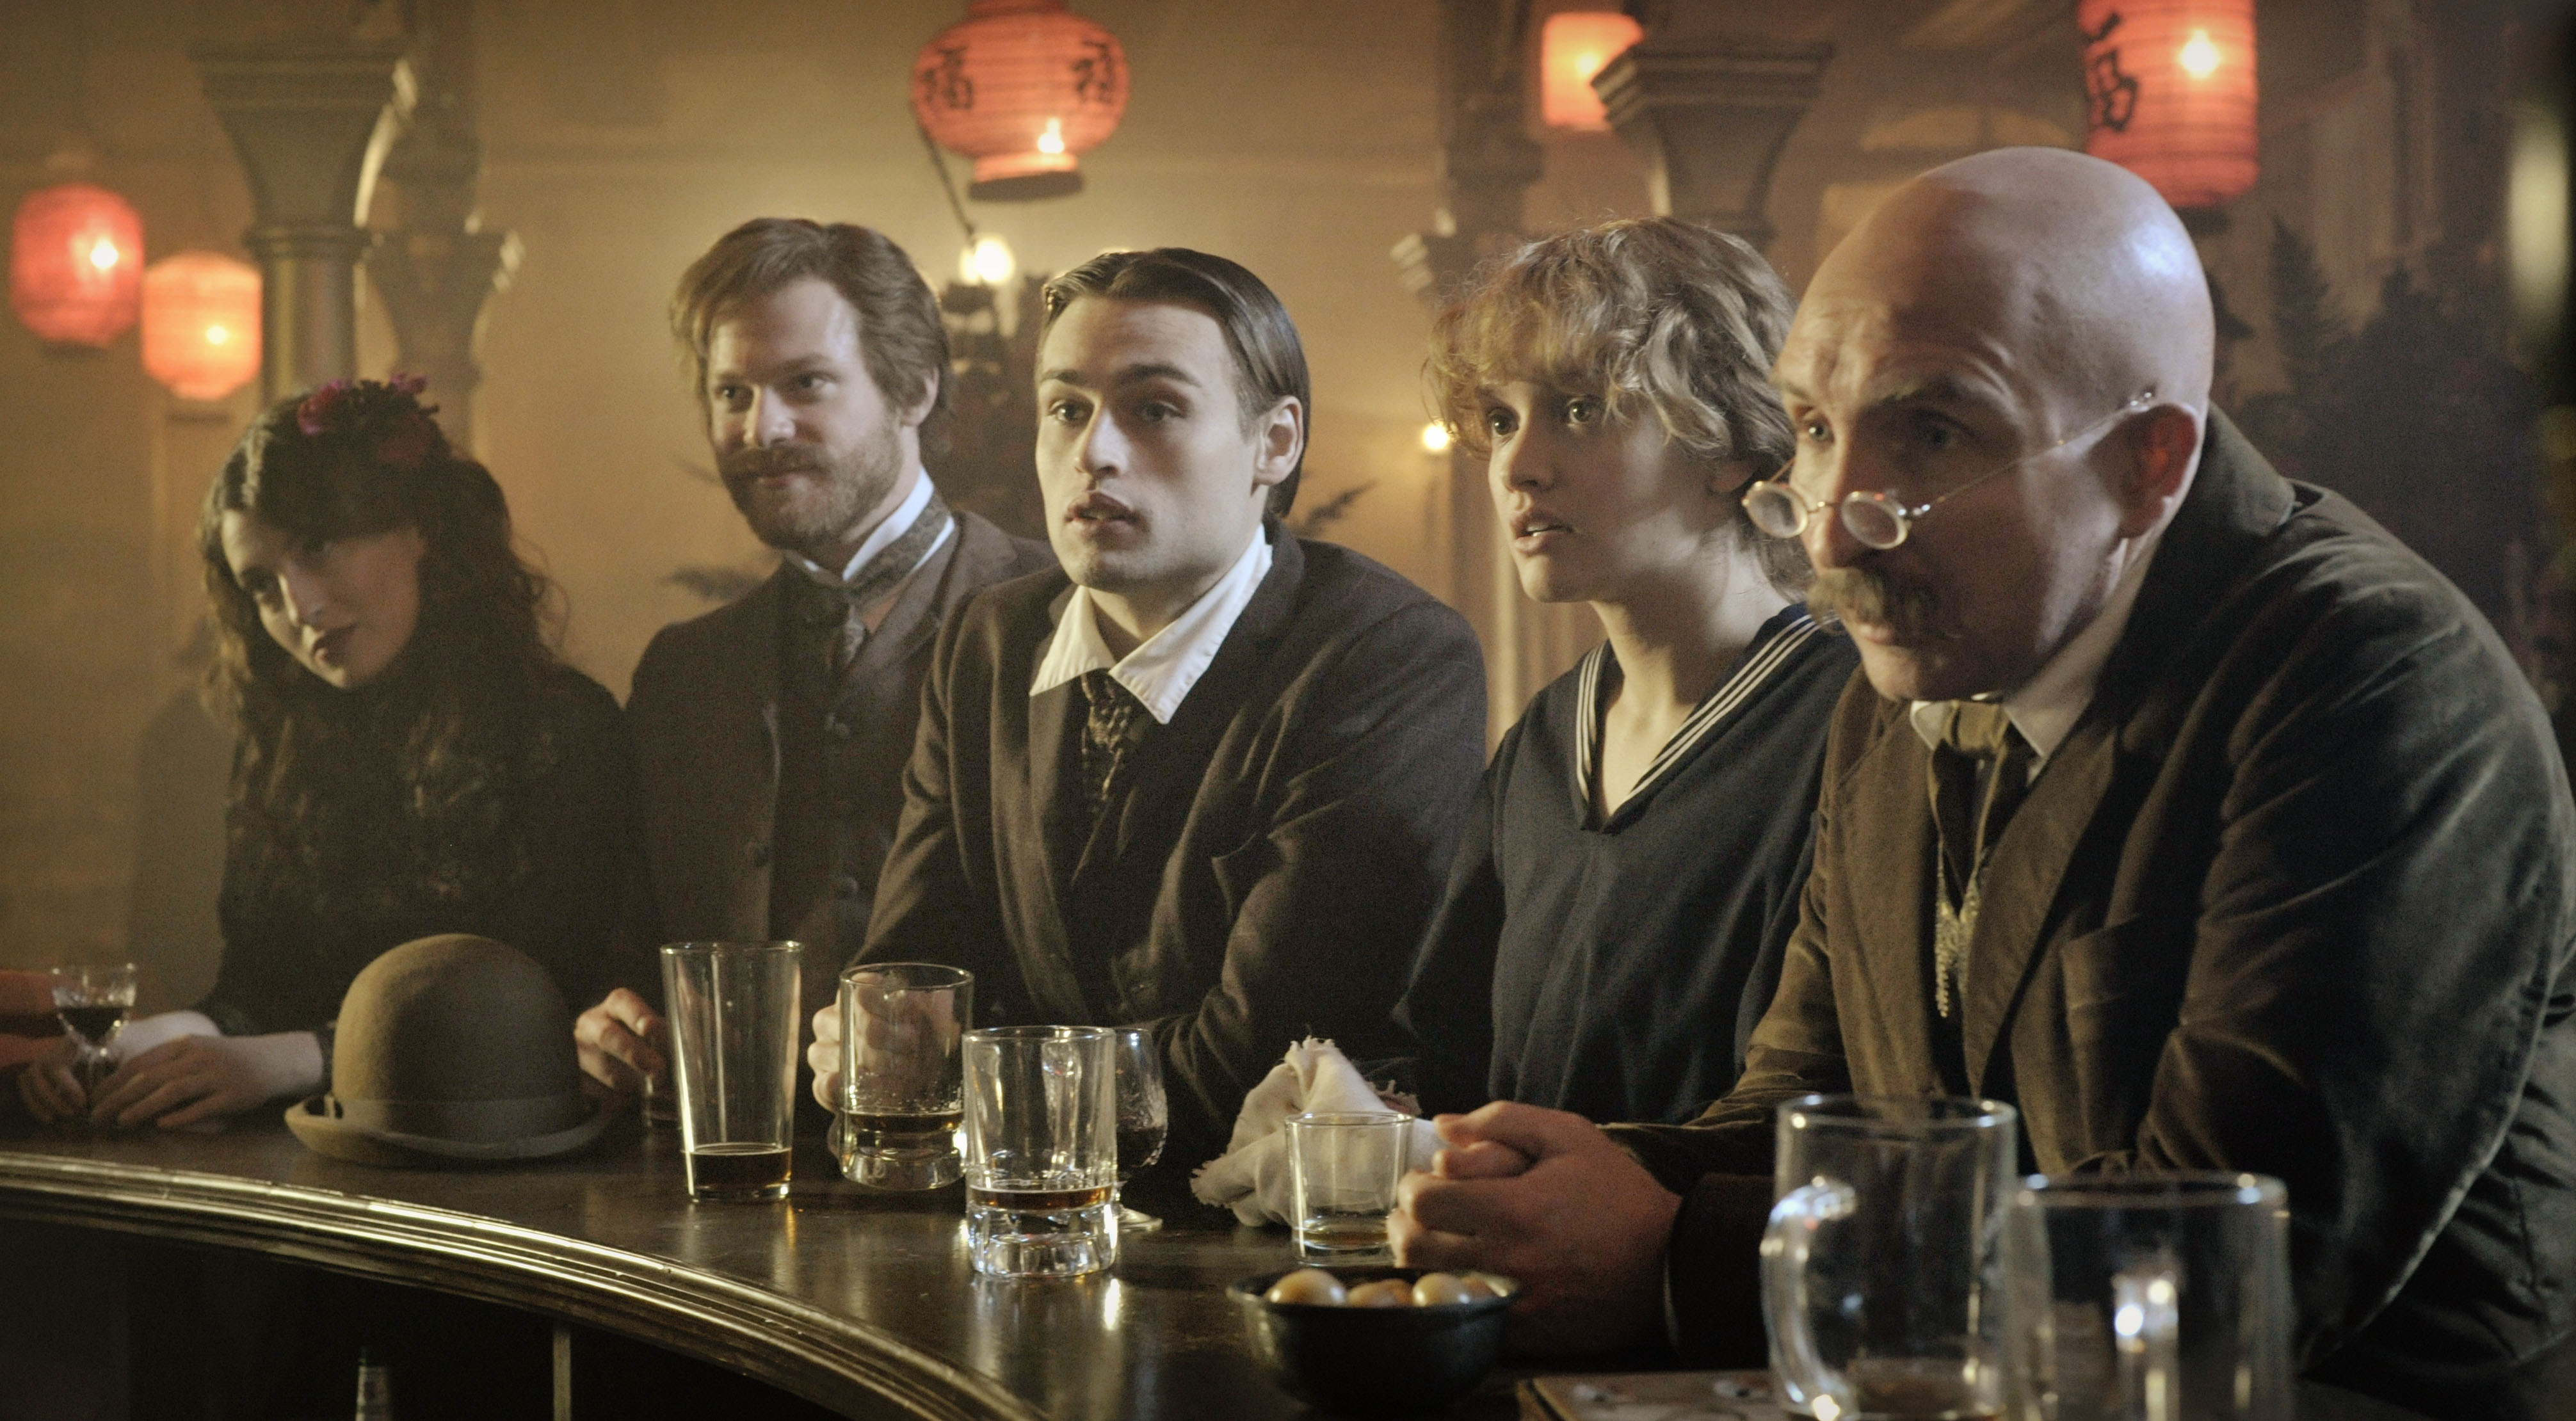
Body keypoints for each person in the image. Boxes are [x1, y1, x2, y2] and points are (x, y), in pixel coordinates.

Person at [1389, 147, 2576, 1421]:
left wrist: (1672, 1255)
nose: (1834, 527)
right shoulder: (1902, 677)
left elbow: (2216, 1263)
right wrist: (1559, 1185)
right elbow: (1802, 1111)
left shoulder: (2364, 680)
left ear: (2146, 465)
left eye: (1933, 431)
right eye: (1811, 429)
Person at [810, 248, 1488, 1157]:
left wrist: (973, 1083)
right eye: (1067, 409)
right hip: (1024, 1221)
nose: (1095, 452)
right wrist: (869, 1046)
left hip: (1273, 1239)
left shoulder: (1385, 656)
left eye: (1156, 409)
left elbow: (1261, 1061)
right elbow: (915, 986)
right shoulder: (993, 640)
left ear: (1275, 443)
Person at [20, 377, 640, 1129]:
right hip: (297, 1150)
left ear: (418, 527)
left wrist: (282, 1060)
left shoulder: (564, 724)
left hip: (489, 1158)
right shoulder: (278, 740)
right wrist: (135, 1043)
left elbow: (545, 1002)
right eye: (262, 586)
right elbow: (255, 993)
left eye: (317, 548)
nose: (301, 607)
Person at [1396, 216, 1856, 1124]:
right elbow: (1446, 1058)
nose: (1519, 466)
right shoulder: (1545, 738)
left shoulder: (1845, 724)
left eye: (1579, 409)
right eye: (1500, 419)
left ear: (1728, 443)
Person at [574, 220, 1052, 1093]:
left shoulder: (1057, 622)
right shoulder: (686, 672)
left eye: (808, 384)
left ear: (912, 391)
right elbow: (630, 944)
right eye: (731, 394)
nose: (764, 427)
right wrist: (609, 1018)